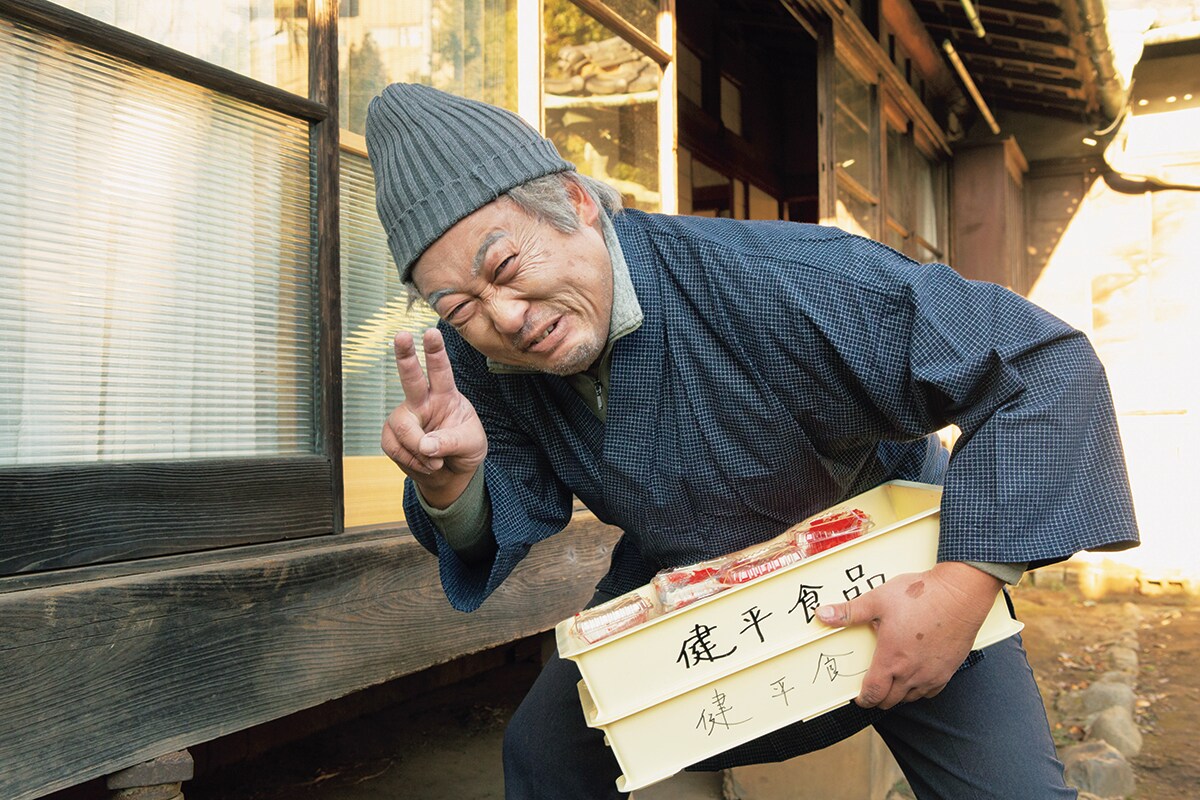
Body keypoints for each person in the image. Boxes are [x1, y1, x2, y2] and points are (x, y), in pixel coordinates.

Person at [364, 83, 1139, 800]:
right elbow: (508, 498)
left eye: (504, 265)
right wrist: (449, 483)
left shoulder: (782, 278)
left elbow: (1040, 364)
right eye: (458, 304)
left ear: (574, 202)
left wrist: (963, 586)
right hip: (689, 590)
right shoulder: (476, 362)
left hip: (892, 572)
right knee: (544, 752)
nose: (502, 317)